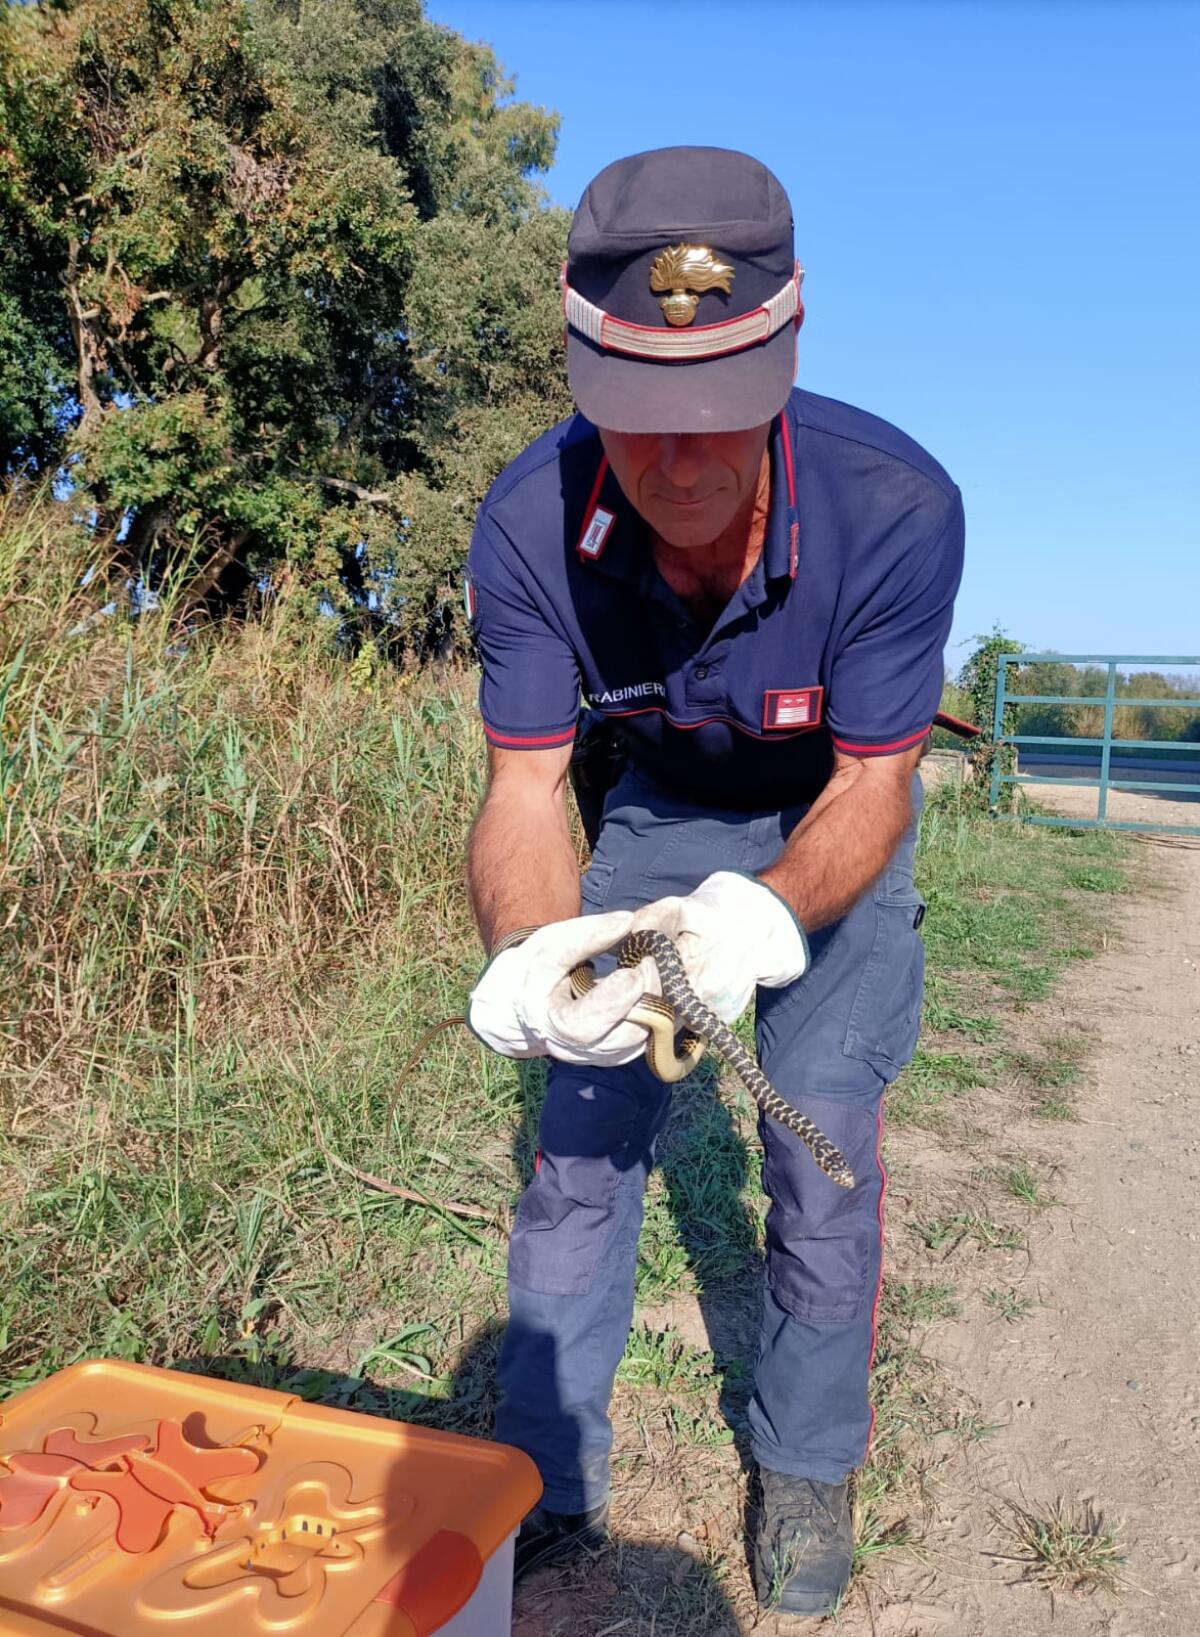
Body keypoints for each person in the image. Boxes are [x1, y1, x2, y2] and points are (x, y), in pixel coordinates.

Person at [462, 145, 964, 1617]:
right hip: (660, 819)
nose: (678, 465)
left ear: (787, 352)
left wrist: (757, 919)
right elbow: (524, 785)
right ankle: (542, 1478)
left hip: (832, 831)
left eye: (717, 421)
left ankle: (806, 1460)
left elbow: (877, 781)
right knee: (579, 1147)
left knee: (821, 1158)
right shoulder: (524, 525)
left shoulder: (896, 509)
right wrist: (533, 952)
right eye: (635, 422)